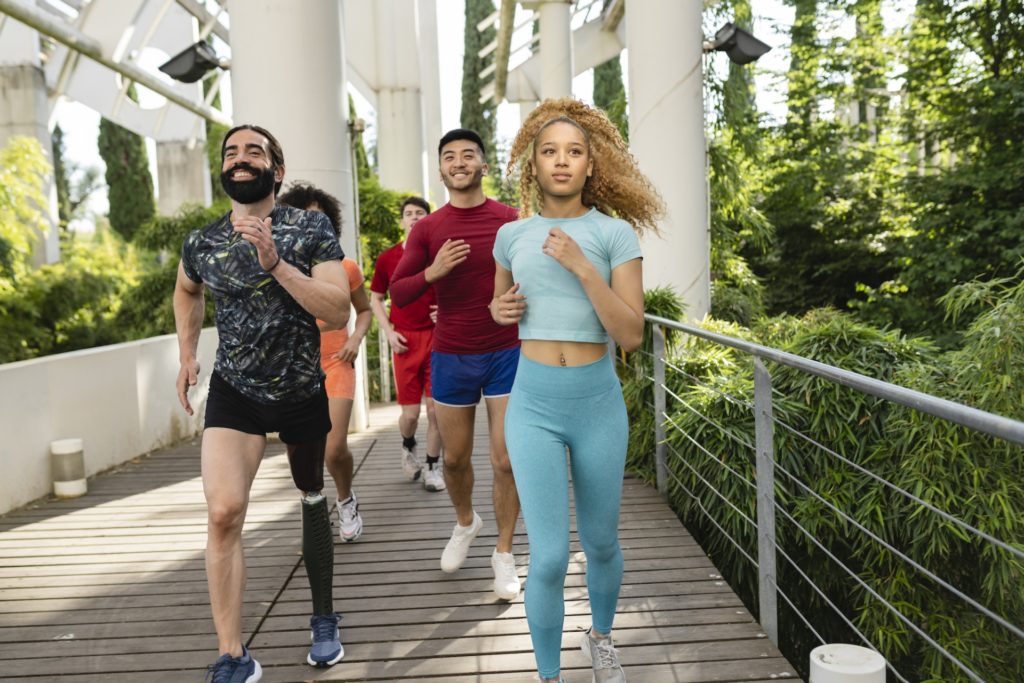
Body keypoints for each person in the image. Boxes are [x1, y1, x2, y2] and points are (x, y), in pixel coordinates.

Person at [491, 98, 665, 683]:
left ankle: (602, 637)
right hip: (533, 402)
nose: (561, 162)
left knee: (601, 543)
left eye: (574, 152)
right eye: (549, 152)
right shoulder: (510, 235)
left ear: (592, 165)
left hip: (596, 403)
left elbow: (632, 335)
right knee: (548, 555)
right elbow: (501, 310)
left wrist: (582, 266)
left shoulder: (616, 234)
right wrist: (499, 308)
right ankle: (548, 675)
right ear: (532, 166)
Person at [175, 124, 350, 682]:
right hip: (236, 393)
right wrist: (186, 353)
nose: (241, 158)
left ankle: (323, 617)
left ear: (276, 169)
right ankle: (233, 655)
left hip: (300, 389)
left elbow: (338, 310)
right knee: (224, 512)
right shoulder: (203, 242)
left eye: (255, 151)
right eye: (231, 152)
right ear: (223, 169)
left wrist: (276, 263)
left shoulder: (309, 228)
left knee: (311, 496)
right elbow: (186, 288)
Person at [389, 129, 523, 601]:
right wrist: (433, 272)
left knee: (506, 458)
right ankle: (466, 522)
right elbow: (398, 291)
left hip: (508, 351)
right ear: (442, 170)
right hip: (451, 354)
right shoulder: (428, 229)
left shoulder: (511, 219)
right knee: (454, 458)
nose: (459, 162)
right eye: (449, 156)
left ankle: (504, 555)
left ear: (484, 166)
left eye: (469, 155)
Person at [278, 182, 372, 543]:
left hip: (336, 361)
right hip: (294, 368)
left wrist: (354, 338)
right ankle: (313, 507)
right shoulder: (278, 267)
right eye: (302, 218)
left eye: (318, 218)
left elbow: (363, 311)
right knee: (300, 451)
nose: (311, 225)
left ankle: (346, 499)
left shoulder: (345, 267)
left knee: (333, 447)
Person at [368, 196, 444, 492]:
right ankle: (408, 445)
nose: (414, 217)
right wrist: (387, 331)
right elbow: (375, 298)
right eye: (409, 213)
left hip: (437, 339)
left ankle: (433, 467)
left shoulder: (439, 255)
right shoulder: (388, 258)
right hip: (404, 341)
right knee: (410, 415)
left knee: (436, 411)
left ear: (427, 219)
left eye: (420, 213)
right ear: (402, 221)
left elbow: (459, 291)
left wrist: (447, 311)